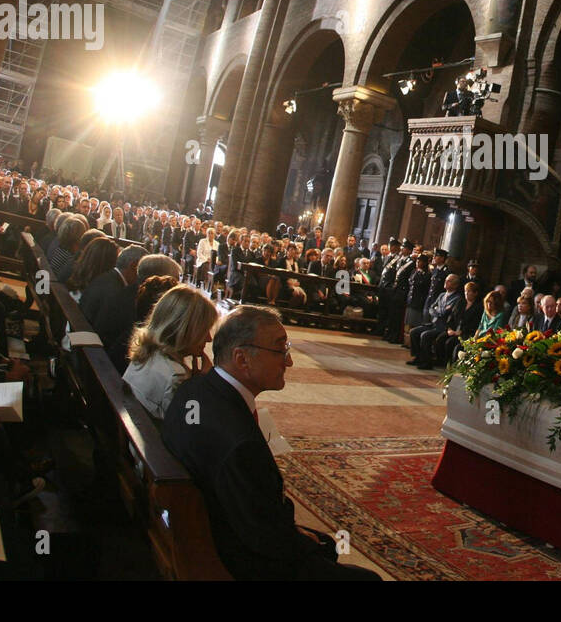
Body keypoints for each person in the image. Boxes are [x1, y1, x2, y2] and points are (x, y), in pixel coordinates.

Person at [160, 305, 380, 580]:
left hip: (210, 524)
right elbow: (267, 539)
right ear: (242, 359)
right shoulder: (240, 444)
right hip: (235, 559)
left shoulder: (195, 389)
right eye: (280, 351)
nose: (288, 362)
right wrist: (307, 544)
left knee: (327, 545)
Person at [124, 284, 217, 420]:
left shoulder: (147, 353)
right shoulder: (176, 377)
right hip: (154, 439)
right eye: (204, 331)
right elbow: (193, 423)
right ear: (185, 331)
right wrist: (202, 385)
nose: (209, 338)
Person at [79, 244, 147, 372]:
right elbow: (109, 335)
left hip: (85, 344)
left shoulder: (107, 278)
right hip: (93, 358)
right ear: (134, 266)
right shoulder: (117, 292)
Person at [407, 272, 461, 369]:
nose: (446, 282)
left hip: (443, 326)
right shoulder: (441, 295)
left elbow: (447, 312)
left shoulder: (457, 298)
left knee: (425, 335)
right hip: (433, 323)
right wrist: (437, 312)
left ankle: (427, 361)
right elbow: (431, 308)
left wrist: (438, 311)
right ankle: (418, 357)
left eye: (449, 281)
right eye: (446, 280)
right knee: (414, 332)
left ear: (455, 285)